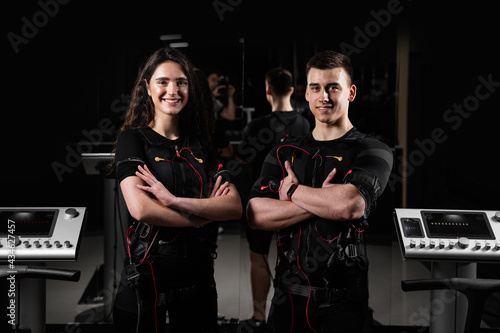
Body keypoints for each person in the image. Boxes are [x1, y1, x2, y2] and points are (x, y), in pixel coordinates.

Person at [247, 50, 393, 333]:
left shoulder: (372, 150)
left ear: (350, 92)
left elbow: (350, 205)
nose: (323, 96)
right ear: (307, 93)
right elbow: (255, 214)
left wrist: (291, 191)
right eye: (316, 87)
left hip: (343, 306)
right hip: (286, 300)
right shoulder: (284, 153)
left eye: (332, 88)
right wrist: (323, 200)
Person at [112, 47, 242, 333]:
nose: (173, 90)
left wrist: (172, 200)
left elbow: (233, 206)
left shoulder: (202, 145)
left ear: (190, 88)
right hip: (147, 279)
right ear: (147, 87)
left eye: (181, 82)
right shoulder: (132, 140)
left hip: (198, 280)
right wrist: (203, 216)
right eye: (163, 82)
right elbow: (141, 208)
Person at [236, 68, 310, 331]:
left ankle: (259, 317)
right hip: (297, 202)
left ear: (268, 90)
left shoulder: (256, 125)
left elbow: (242, 156)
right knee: (296, 258)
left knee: (259, 257)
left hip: (264, 201)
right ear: (292, 90)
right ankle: (292, 315)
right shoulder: (306, 123)